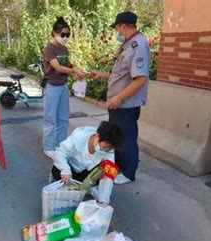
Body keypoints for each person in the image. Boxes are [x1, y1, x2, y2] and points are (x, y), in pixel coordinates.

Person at [90, 11, 150, 185]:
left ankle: (129, 173)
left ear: (123, 26)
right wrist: (101, 74)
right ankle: (120, 167)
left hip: (126, 104)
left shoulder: (138, 46)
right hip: (119, 104)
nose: (117, 32)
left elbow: (140, 79)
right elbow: (121, 74)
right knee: (118, 137)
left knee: (127, 138)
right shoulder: (127, 44)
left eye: (117, 28)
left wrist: (119, 98)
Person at [49, 121, 123, 203]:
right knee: (57, 171)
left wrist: (103, 200)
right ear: (97, 136)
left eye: (108, 149)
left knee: (105, 170)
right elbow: (59, 153)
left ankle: (88, 189)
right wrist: (65, 170)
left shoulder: (109, 149)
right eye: (103, 147)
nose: (104, 151)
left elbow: (108, 175)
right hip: (70, 170)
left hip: (85, 173)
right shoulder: (79, 136)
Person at [43, 17, 86, 157]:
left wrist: (77, 73)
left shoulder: (64, 49)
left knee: (63, 119)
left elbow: (67, 65)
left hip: (63, 86)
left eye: (68, 35)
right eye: (63, 34)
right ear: (54, 33)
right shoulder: (49, 49)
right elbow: (57, 67)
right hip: (52, 87)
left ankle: (60, 145)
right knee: (50, 118)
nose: (65, 37)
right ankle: (48, 147)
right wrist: (74, 71)